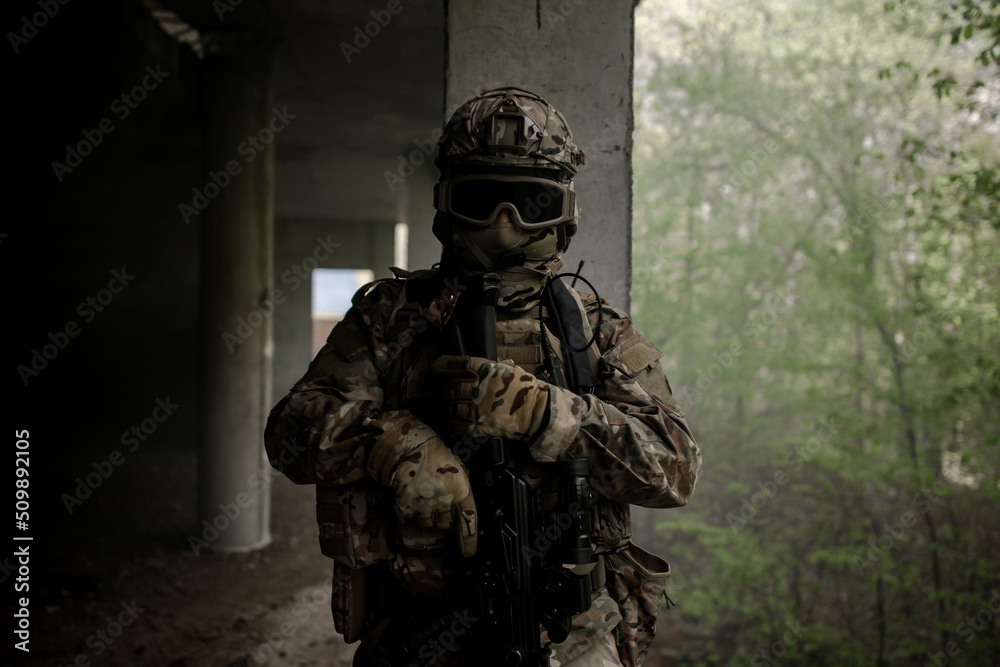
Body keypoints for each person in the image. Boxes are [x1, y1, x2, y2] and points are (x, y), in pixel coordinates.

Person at [264, 87, 702, 667]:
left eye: (529, 202)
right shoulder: (391, 319)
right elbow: (289, 434)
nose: (505, 226)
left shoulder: (594, 334)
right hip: (423, 621)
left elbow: (674, 472)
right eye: (483, 200)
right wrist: (394, 446)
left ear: (563, 214)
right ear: (447, 207)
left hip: (569, 631)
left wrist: (550, 415)